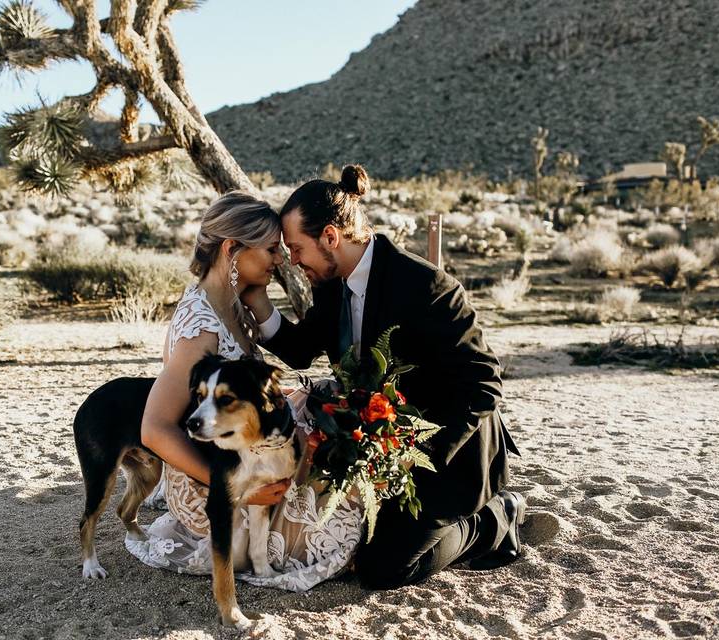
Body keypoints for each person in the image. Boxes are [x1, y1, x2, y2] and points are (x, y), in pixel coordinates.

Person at [241, 165, 524, 589]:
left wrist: (419, 454)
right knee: (350, 548)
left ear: (331, 237)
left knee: (383, 569)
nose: (293, 262)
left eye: (297, 249)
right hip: (379, 455)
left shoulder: (426, 286)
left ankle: (493, 519)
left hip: (451, 456)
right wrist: (256, 298)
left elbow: (484, 382)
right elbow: (301, 350)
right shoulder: (333, 284)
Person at [126, 191, 364, 592]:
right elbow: (154, 429)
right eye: (271, 250)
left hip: (244, 455)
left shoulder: (230, 305)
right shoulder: (202, 327)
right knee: (342, 525)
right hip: (211, 483)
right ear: (232, 248)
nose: (280, 260)